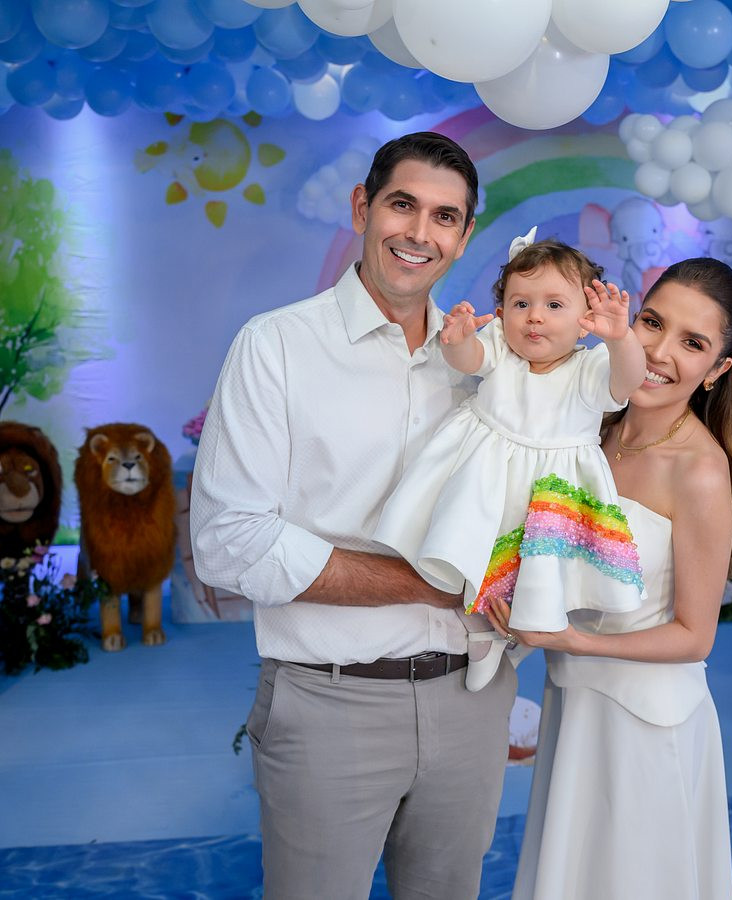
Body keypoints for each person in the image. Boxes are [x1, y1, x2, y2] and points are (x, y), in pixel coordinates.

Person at [189, 132, 516, 900]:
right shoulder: (276, 347)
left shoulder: (491, 364)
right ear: (363, 208)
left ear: (465, 234)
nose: (420, 233)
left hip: (471, 701)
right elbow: (229, 543)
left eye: (445, 217)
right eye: (403, 205)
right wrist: (430, 585)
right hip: (330, 703)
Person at [492, 257, 732, 900]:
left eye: (692, 343)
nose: (660, 353)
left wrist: (573, 641)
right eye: (653, 323)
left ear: (716, 370)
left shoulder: (699, 470)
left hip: (645, 723)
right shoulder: (591, 428)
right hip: (573, 703)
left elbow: (695, 636)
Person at [375, 231, 648, 693]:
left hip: (549, 493)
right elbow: (471, 361)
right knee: (476, 550)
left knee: (537, 572)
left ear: (586, 322)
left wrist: (621, 338)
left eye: (554, 305)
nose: (534, 316)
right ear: (502, 315)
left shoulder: (590, 368)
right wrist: (458, 340)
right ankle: (484, 630)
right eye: (521, 304)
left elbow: (630, 378)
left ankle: (514, 634)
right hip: (488, 477)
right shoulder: (502, 348)